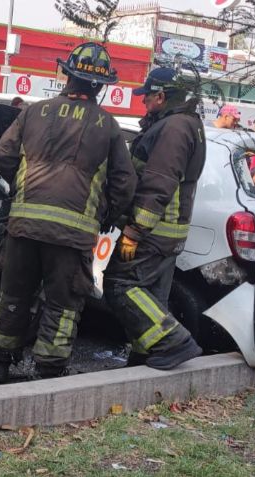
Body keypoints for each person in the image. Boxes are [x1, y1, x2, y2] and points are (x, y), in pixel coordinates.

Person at [0, 42, 137, 383]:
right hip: (72, 235)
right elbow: (124, 182)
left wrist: (21, 188)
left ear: (66, 75)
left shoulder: (34, 112)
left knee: (13, 296)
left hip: (23, 226)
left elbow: (2, 158)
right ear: (99, 85)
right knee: (62, 304)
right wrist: (109, 212)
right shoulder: (108, 126)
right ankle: (48, 371)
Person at [103, 67, 206, 371]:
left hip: (153, 231)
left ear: (161, 96)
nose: (143, 103)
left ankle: (174, 342)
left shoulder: (173, 128)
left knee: (120, 285)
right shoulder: (187, 124)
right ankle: (144, 356)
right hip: (167, 231)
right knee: (150, 297)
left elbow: (159, 181)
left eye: (146, 97)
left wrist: (135, 230)